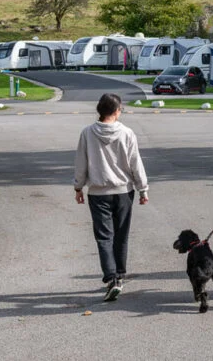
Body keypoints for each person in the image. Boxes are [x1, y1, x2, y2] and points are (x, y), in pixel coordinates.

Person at [74, 93, 148, 302]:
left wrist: (78, 187)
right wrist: (143, 189)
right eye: (120, 109)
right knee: (121, 235)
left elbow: (81, 162)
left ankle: (111, 278)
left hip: (98, 192)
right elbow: (135, 163)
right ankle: (120, 274)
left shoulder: (87, 133)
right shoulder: (127, 133)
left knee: (104, 237)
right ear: (116, 111)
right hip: (124, 191)